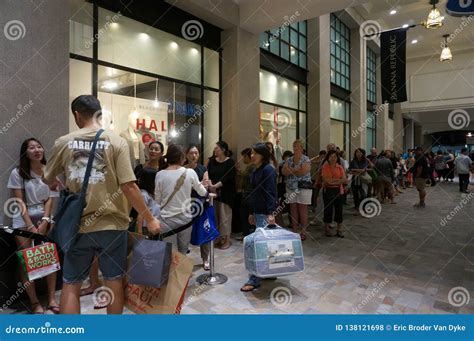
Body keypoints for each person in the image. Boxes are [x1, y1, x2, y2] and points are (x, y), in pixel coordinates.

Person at [44, 95, 161, 315]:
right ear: (100, 113)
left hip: (77, 226)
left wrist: (64, 179)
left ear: (77, 115)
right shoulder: (116, 141)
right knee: (113, 281)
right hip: (112, 226)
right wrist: (150, 218)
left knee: (71, 284)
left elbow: (47, 179)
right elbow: (129, 186)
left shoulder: (63, 142)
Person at [7, 138, 60, 314]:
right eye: (31, 148)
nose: (37, 150)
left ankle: (52, 298)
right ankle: (34, 302)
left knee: (49, 258)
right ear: (26, 153)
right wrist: (30, 225)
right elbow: (19, 201)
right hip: (23, 219)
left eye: (39, 146)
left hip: (44, 218)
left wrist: (45, 221)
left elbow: (50, 198)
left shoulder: (49, 170)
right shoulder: (18, 173)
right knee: (27, 260)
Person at [155, 144, 215, 254]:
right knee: (183, 251)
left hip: (166, 220)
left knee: (170, 253)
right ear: (183, 157)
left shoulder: (159, 175)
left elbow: (157, 200)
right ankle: (182, 271)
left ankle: (172, 271)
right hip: (185, 219)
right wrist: (208, 195)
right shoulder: (190, 173)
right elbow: (201, 190)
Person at [240, 143, 277, 292]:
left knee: (259, 246)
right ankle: (267, 272)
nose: (252, 155)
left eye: (255, 153)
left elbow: (270, 193)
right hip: (257, 212)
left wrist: (271, 214)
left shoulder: (268, 170)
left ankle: (255, 278)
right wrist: (251, 212)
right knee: (263, 245)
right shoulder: (256, 171)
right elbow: (253, 193)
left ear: (263, 155)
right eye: (251, 153)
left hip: (265, 213)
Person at [185, 144, 211, 269]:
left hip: (202, 203)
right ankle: (182, 262)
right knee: (185, 232)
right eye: (191, 153)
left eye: (196, 153)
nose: (194, 155)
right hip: (186, 204)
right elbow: (184, 187)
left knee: (204, 230)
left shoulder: (202, 169)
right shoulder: (183, 169)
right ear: (186, 155)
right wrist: (198, 184)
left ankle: (205, 259)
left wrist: (195, 185)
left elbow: (206, 185)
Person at [205, 141, 236, 249]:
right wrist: (210, 185)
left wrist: (216, 186)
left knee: (225, 217)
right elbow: (207, 173)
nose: (215, 150)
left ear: (223, 150)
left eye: (217, 148)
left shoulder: (230, 162)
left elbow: (228, 177)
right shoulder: (212, 161)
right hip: (213, 193)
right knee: (215, 216)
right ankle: (218, 238)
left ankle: (227, 239)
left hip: (226, 194)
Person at [282, 140, 312, 241]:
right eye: (294, 146)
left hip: (303, 187)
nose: (296, 148)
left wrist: (290, 170)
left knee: (302, 209)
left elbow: (303, 172)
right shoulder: (289, 159)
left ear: (302, 148)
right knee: (293, 208)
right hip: (291, 187)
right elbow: (284, 172)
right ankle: (294, 230)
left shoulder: (306, 159)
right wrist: (295, 169)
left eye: (298, 146)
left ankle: (303, 231)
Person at [321, 150, 348, 237]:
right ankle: (327, 229)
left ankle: (339, 229)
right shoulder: (325, 167)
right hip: (328, 191)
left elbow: (344, 179)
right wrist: (338, 180)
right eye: (331, 156)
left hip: (338, 191)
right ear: (328, 158)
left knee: (339, 210)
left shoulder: (340, 167)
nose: (333, 158)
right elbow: (326, 181)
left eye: (335, 157)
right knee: (328, 209)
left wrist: (333, 181)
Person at [238, 148, 256, 238]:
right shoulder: (250, 167)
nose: (243, 159)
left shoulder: (252, 167)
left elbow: (249, 182)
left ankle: (248, 235)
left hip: (249, 195)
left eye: (244, 157)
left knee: (247, 217)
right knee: (245, 216)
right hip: (247, 195)